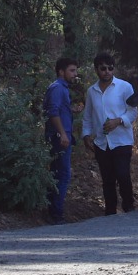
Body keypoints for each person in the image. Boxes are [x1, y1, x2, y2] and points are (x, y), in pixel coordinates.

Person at [81, 52, 137, 215]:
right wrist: (86, 135)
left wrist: (118, 121)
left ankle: (129, 207)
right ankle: (110, 212)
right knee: (107, 179)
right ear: (96, 70)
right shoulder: (92, 91)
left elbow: (133, 112)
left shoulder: (125, 87)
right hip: (101, 142)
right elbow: (88, 115)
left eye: (110, 68)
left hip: (122, 140)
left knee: (123, 175)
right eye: (103, 68)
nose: (107, 72)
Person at [43, 57, 80, 222]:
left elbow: (59, 110)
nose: (75, 74)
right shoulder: (57, 87)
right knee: (62, 174)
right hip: (60, 139)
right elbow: (53, 112)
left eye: (75, 70)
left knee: (57, 173)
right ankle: (56, 215)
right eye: (72, 70)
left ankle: (53, 211)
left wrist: (71, 109)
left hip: (62, 137)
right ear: (61, 71)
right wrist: (62, 134)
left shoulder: (61, 88)